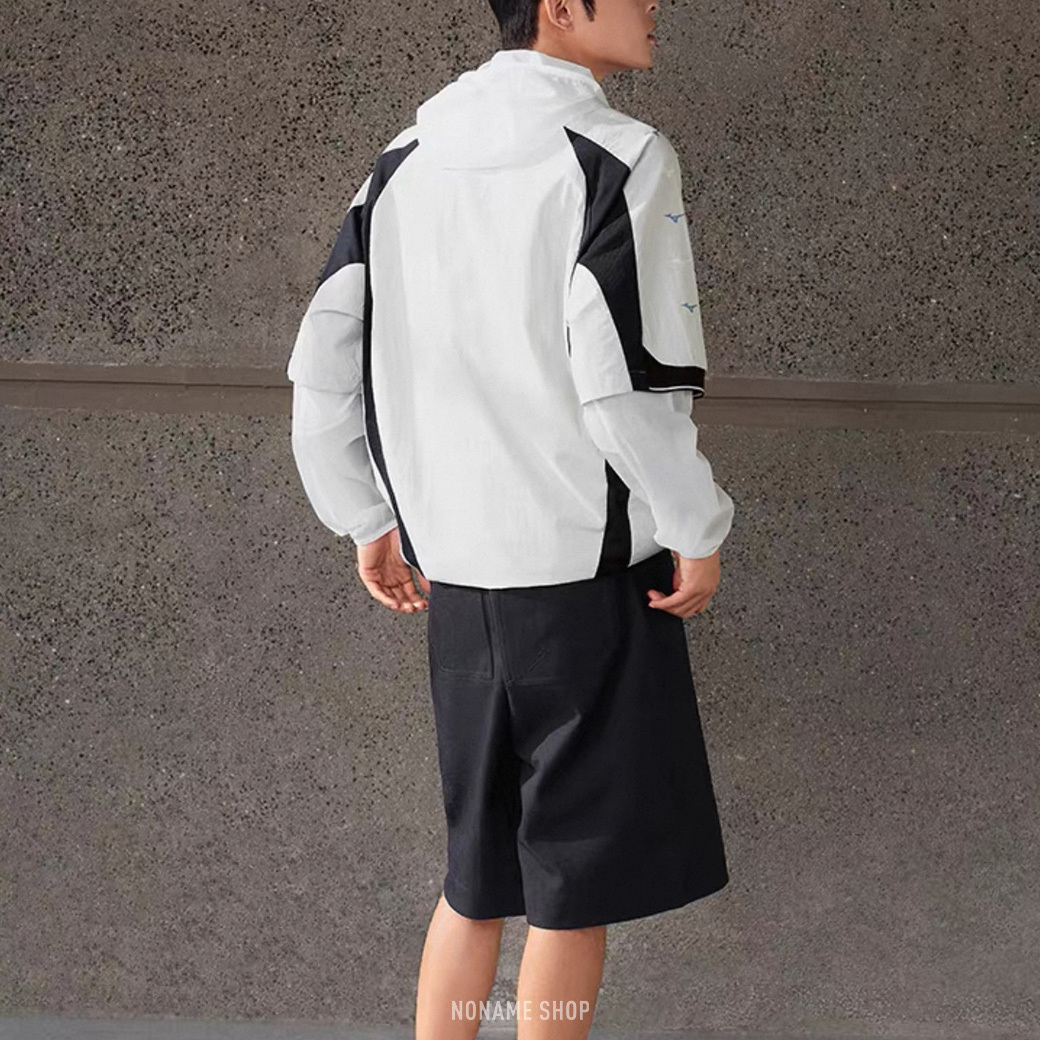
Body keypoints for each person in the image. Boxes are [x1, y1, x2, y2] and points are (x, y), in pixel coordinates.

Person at [285, 0, 736, 1036]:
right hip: (584, 582)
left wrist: (364, 515)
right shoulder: (620, 156)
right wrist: (695, 526)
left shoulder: (402, 161)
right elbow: (624, 383)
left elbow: (321, 365)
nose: (654, 4)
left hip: (457, 579)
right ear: (561, 6)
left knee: (474, 878)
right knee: (569, 886)